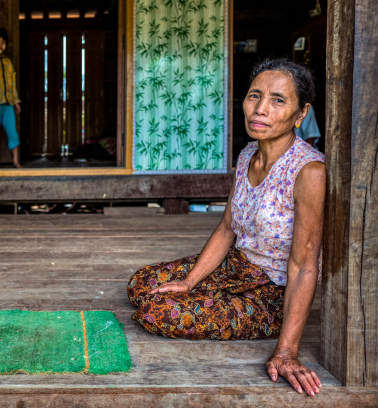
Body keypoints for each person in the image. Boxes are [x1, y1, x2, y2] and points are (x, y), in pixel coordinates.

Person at [127, 58, 325, 397]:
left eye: (278, 100)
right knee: (141, 283)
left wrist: (287, 352)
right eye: (254, 96)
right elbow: (226, 228)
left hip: (272, 295)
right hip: (238, 267)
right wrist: (189, 282)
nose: (261, 109)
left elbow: (305, 265)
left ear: (300, 113)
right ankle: (204, 293)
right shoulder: (249, 154)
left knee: (155, 311)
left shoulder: (309, 172)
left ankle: (259, 322)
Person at [0, 28, 22, 168]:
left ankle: (15, 160)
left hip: (8, 104)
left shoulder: (8, 62)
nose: (0, 45)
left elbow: (12, 84)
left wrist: (16, 102)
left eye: (3, 42)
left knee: (12, 132)